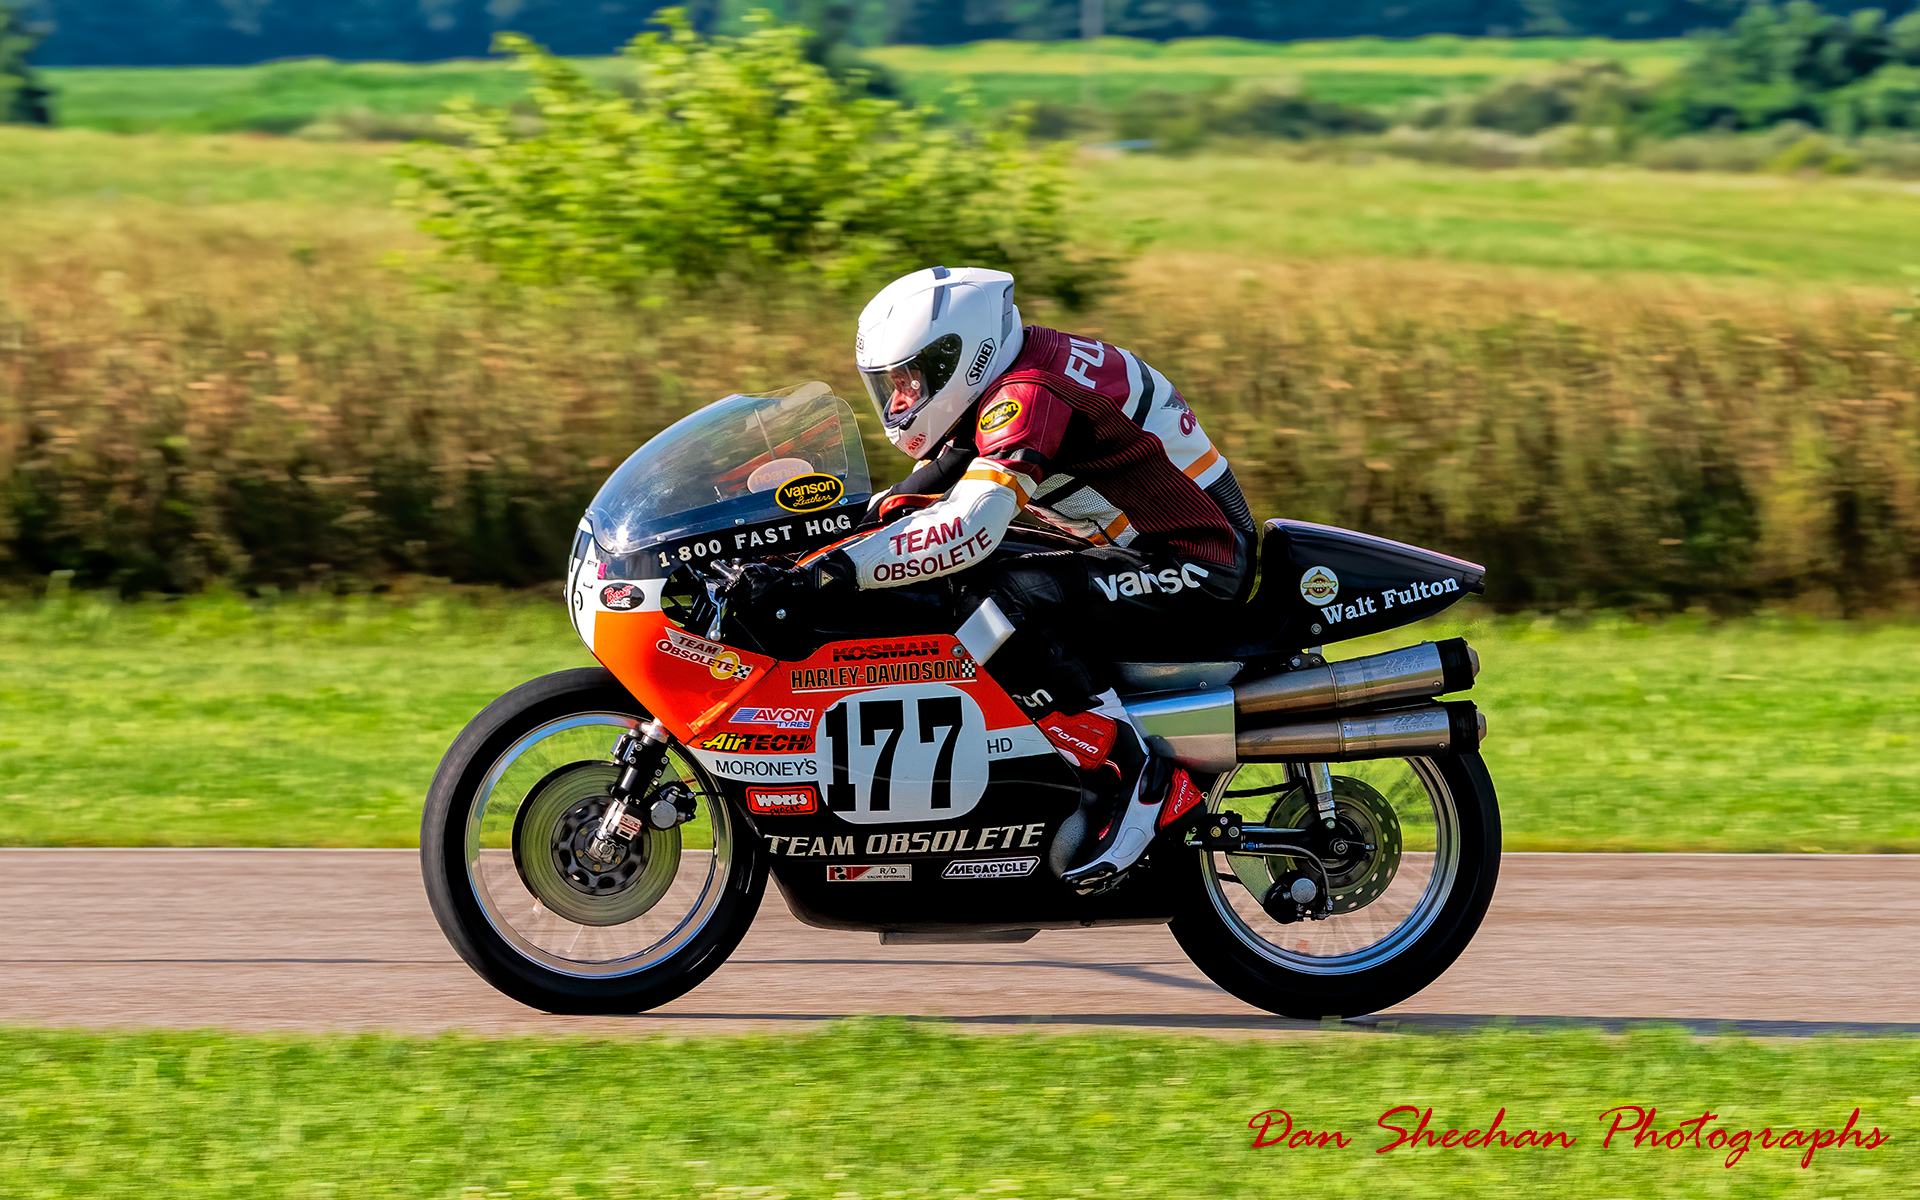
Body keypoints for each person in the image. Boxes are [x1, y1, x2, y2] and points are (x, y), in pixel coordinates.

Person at [762, 265, 1257, 891]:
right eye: (889, 384)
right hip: (1134, 548)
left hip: (1196, 564)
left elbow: (968, 527)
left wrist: (830, 575)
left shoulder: (1029, 392)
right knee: (946, 562)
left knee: (995, 598)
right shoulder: (1011, 369)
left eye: (912, 380)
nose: (900, 401)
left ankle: (1130, 775)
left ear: (963, 357)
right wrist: (807, 551)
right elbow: (920, 492)